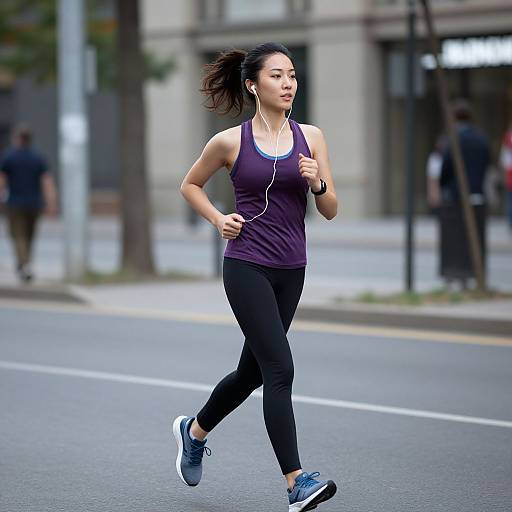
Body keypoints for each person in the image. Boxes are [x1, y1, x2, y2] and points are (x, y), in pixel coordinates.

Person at [175, 43, 338, 511]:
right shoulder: (229, 141)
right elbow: (190, 185)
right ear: (253, 85)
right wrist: (216, 219)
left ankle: (194, 431)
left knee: (251, 373)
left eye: (292, 76)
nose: (289, 84)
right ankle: (296, 483)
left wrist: (318, 184)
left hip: (292, 270)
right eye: (278, 76)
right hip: (245, 263)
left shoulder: (312, 137)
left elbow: (329, 211)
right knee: (279, 369)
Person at [438, 99, 490, 289]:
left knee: (455, 239)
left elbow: (445, 168)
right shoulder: (481, 138)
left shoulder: (453, 139)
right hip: (477, 194)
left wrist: (444, 187)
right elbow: (487, 162)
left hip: (456, 197)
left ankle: (457, 275)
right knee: (476, 236)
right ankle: (477, 273)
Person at [0, 124, 57, 282]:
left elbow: (2, 180)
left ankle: (24, 265)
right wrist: (51, 202)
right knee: (30, 236)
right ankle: (26, 264)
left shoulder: (8, 157)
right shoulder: (38, 158)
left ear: (17, 139)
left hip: (15, 204)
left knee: (18, 236)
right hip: (34, 204)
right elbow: (47, 182)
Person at [499, 124, 512, 232]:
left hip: (510, 176)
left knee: (510, 202)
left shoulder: (508, 139)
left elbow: (504, 160)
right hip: (509, 176)